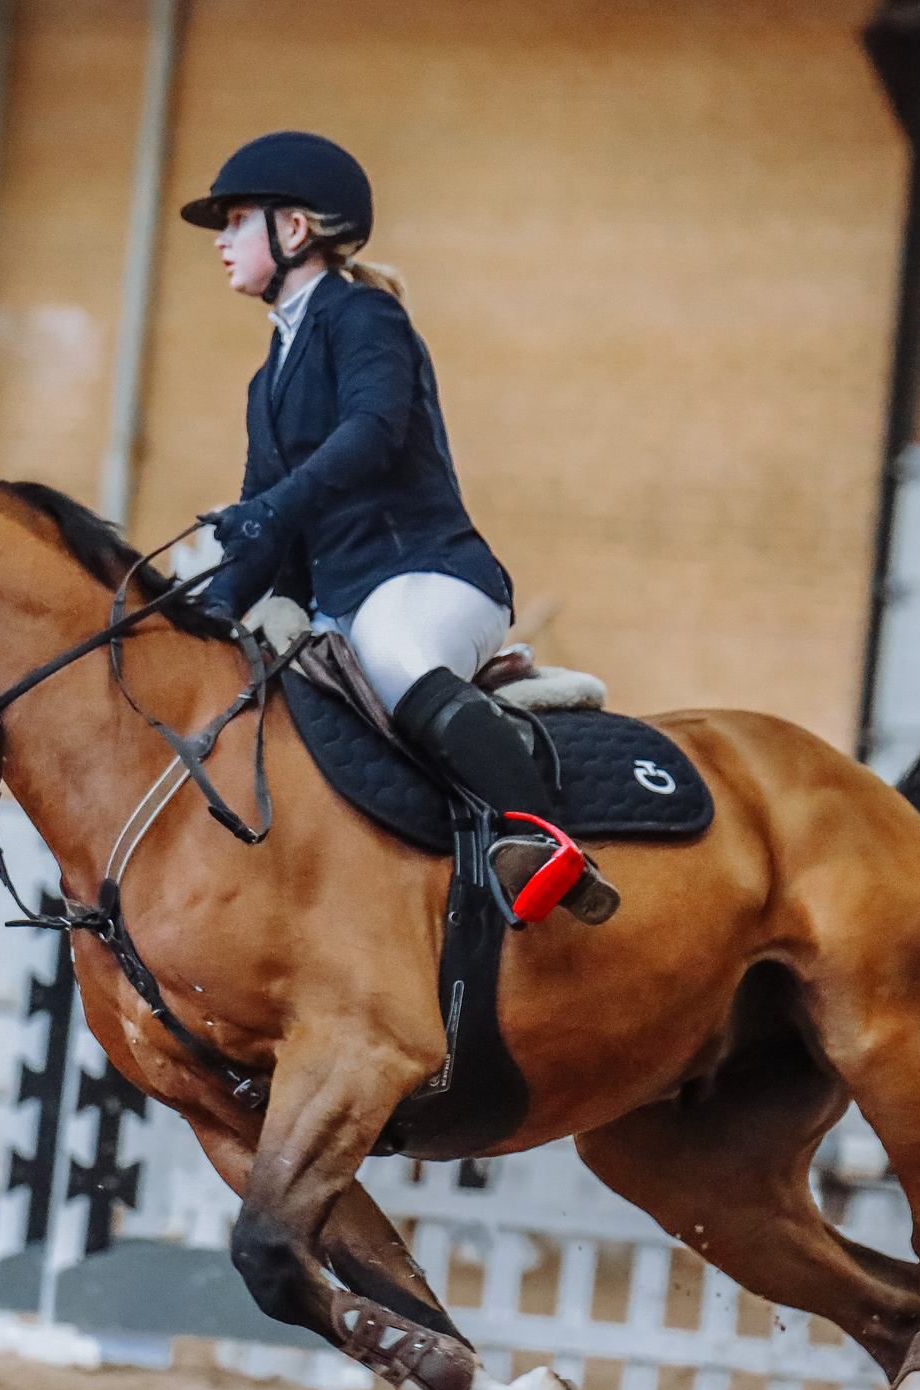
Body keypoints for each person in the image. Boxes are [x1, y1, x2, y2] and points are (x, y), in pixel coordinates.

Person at [179, 131, 617, 926]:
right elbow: (261, 522)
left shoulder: (365, 317)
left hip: (427, 577)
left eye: (238, 220)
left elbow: (372, 433)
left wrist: (273, 509)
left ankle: (545, 840)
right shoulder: (264, 379)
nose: (221, 241)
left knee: (393, 654)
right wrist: (197, 615)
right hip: (336, 600)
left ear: (295, 231)